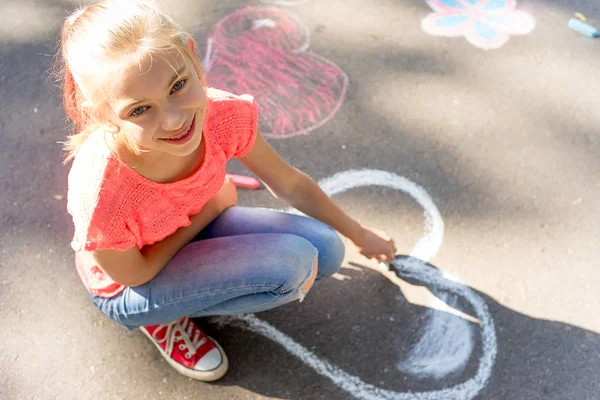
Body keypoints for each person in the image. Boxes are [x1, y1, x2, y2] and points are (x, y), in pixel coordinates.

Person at [58, 0, 396, 382]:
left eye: (178, 85)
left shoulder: (222, 115)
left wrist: (360, 234)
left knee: (328, 250)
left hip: (190, 228)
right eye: (140, 110)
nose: (174, 119)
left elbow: (290, 183)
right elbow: (134, 275)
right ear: (102, 114)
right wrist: (211, 207)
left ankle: (197, 285)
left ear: (190, 53)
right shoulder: (102, 189)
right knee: (290, 266)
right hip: (128, 287)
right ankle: (164, 320)